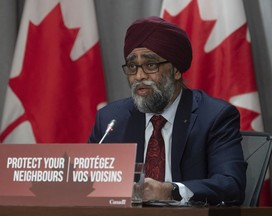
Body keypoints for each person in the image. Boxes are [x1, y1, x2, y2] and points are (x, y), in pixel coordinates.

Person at [88, 16, 247, 205]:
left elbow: (231, 185)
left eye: (150, 65)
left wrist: (170, 191)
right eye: (132, 66)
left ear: (176, 70)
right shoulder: (111, 119)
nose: (139, 76)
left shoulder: (214, 117)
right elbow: (87, 183)